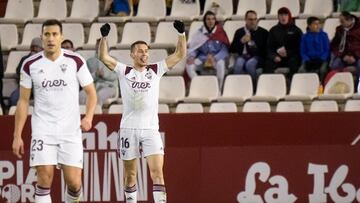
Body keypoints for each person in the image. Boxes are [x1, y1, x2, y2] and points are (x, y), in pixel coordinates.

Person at [98, 20, 186, 203]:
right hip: (129, 129)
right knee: (130, 175)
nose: (144, 54)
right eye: (140, 51)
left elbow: (180, 54)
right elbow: (104, 56)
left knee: (157, 173)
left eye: (146, 51)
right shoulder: (125, 71)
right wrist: (104, 37)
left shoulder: (156, 69)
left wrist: (181, 34)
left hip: (151, 130)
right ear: (132, 54)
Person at [12, 19, 97, 203]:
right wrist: (17, 135)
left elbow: (92, 94)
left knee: (74, 184)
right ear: (42, 37)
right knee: (44, 178)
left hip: (70, 131)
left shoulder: (75, 60)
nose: (51, 38)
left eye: (55, 34)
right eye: (47, 34)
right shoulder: (30, 64)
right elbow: (23, 101)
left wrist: (88, 117)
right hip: (43, 129)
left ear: (61, 37)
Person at [186, 10, 230, 88]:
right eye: (208, 19)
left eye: (213, 19)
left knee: (221, 64)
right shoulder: (199, 33)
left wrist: (215, 58)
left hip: (216, 59)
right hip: (203, 58)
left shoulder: (220, 32)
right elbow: (194, 48)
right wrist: (192, 57)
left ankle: (219, 88)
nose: (211, 21)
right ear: (205, 21)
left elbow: (224, 50)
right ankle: (199, 86)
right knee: (189, 65)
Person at [230, 10, 268, 83]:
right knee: (238, 64)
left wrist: (253, 45)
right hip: (243, 56)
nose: (253, 22)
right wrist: (241, 42)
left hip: (258, 57)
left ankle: (255, 86)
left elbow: (265, 51)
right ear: (245, 19)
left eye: (255, 19)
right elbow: (232, 49)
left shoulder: (263, 32)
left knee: (249, 64)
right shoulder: (239, 32)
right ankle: (236, 86)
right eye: (250, 19)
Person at [265, 7, 303, 78]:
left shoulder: (296, 30)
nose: (283, 17)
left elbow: (300, 47)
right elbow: (269, 47)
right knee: (268, 64)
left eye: (285, 15)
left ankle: (291, 83)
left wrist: (288, 53)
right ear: (278, 17)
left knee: (294, 62)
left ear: (289, 16)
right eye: (281, 15)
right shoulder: (273, 30)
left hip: (292, 57)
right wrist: (274, 56)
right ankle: (269, 84)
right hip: (277, 57)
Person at [79, 38, 118, 106]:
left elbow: (116, 76)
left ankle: (96, 115)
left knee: (98, 96)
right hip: (93, 87)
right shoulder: (90, 61)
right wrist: (95, 74)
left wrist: (104, 75)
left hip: (109, 87)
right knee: (81, 95)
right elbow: (86, 78)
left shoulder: (113, 60)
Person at [9, 37, 43, 107]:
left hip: (39, 86)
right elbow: (18, 71)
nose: (34, 49)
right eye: (32, 47)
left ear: (42, 49)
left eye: (37, 47)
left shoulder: (45, 60)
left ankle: (30, 103)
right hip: (25, 85)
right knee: (13, 99)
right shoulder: (25, 59)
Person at [299, 16, 330, 81]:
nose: (318, 26)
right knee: (301, 70)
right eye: (315, 24)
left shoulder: (324, 35)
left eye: (319, 24)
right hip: (309, 60)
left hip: (321, 59)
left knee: (323, 70)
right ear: (309, 26)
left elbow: (327, 50)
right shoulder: (305, 37)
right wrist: (307, 59)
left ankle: (321, 84)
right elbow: (303, 51)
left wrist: (321, 59)